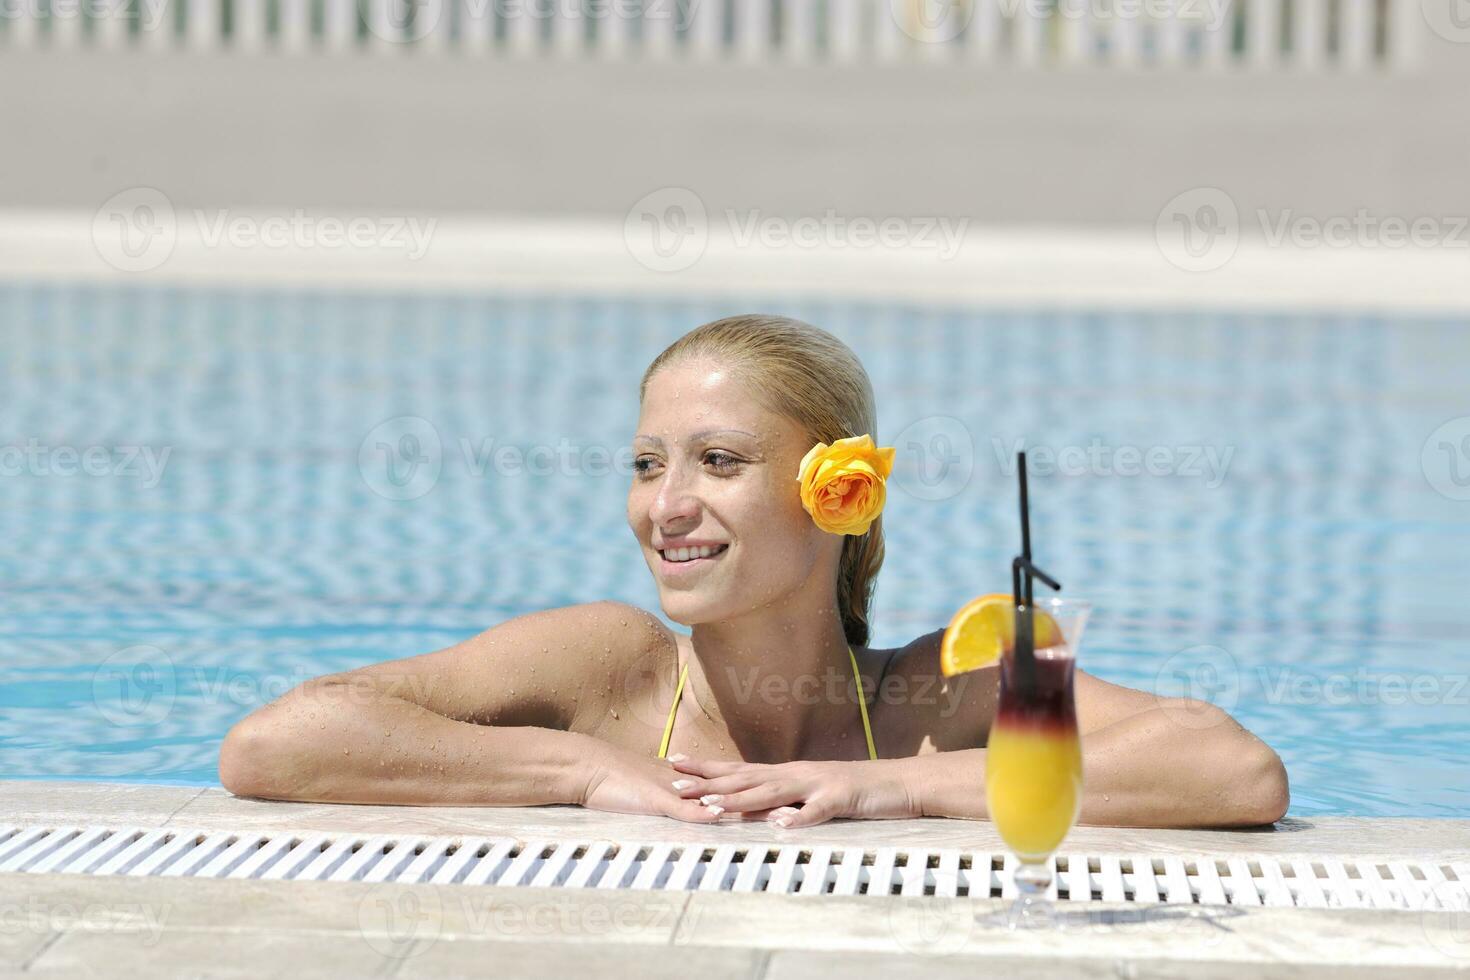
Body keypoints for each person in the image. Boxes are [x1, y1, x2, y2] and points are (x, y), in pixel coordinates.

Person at [219, 314, 1288, 829]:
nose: (665, 504)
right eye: (647, 464)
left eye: (719, 461)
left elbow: (1233, 771)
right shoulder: (613, 667)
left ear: (840, 493)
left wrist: (894, 784)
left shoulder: (931, 693)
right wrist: (577, 766)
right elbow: (276, 739)